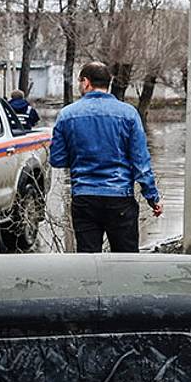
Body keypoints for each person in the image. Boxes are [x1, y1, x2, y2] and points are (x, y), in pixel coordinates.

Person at [50, 60, 162, 253]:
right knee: (125, 262)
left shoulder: (67, 115)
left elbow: (57, 159)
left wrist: (81, 157)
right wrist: (152, 197)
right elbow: (140, 162)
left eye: (80, 82)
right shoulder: (128, 114)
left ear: (86, 82)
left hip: (84, 197)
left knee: (88, 264)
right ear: (108, 83)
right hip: (119, 198)